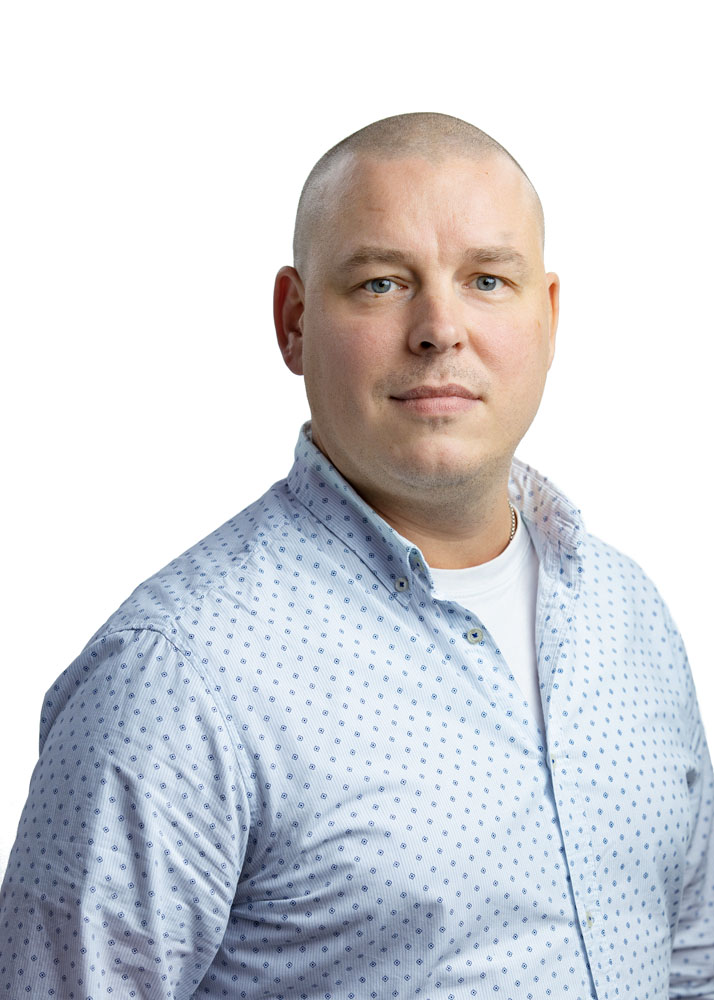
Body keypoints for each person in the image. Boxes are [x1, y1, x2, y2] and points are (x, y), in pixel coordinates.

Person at [1, 112, 712, 1000]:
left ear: (549, 315)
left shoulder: (629, 613)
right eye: (382, 283)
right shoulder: (173, 679)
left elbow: (692, 962)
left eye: (488, 280)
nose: (440, 329)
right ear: (294, 321)